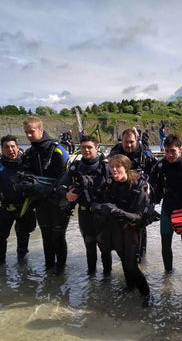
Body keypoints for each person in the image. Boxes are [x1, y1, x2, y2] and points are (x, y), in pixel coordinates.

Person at [91, 154, 152, 306]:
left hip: (132, 228)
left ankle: (147, 294)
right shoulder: (109, 184)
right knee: (124, 261)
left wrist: (117, 211)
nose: (114, 170)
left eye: (118, 167)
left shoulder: (138, 186)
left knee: (131, 264)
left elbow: (138, 216)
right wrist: (102, 207)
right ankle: (130, 287)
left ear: (126, 167)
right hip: (116, 228)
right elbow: (93, 204)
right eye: (112, 167)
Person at [57, 135, 112, 275]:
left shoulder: (106, 167)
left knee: (105, 248)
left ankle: (107, 278)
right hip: (84, 214)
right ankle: (91, 277)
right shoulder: (75, 168)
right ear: (79, 148)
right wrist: (67, 195)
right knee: (89, 247)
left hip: (103, 214)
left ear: (97, 148)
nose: (86, 150)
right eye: (83, 147)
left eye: (90, 147)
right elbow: (60, 186)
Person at [21, 116, 70, 273]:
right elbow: (25, 174)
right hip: (41, 202)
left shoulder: (57, 150)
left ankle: (61, 270)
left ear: (41, 130)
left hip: (58, 201)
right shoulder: (29, 153)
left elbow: (67, 174)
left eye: (32, 132)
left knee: (58, 236)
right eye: (26, 132)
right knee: (46, 237)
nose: (29, 135)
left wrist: (51, 190)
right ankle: (49, 268)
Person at [0, 135, 36, 265]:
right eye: (7, 147)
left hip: (24, 207)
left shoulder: (27, 164)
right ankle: (0, 266)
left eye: (13, 146)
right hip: (3, 207)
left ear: (18, 148)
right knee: (0, 237)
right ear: (1, 149)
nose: (10, 149)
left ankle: (23, 266)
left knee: (24, 235)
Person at [150, 134, 182, 272]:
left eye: (173, 151)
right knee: (165, 244)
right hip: (167, 209)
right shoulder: (161, 166)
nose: (169, 155)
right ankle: (168, 274)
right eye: (167, 151)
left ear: (180, 150)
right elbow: (152, 188)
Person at [109, 128, 157, 260]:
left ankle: (140, 256)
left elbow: (155, 176)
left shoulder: (145, 155)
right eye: (126, 142)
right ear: (121, 141)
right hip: (121, 194)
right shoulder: (114, 153)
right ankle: (125, 256)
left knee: (140, 225)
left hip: (140, 195)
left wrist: (150, 196)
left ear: (137, 140)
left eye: (131, 142)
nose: (129, 145)